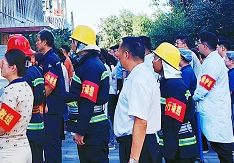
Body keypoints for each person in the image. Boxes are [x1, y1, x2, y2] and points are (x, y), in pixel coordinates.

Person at [62, 25, 110, 163]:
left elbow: (88, 101)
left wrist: (80, 130)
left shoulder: (90, 67)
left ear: (80, 44)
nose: (72, 45)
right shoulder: (89, 64)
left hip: (92, 129)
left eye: (73, 41)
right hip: (92, 127)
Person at [114, 36, 161, 163]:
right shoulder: (139, 75)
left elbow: (141, 121)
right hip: (138, 142)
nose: (117, 54)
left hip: (138, 144)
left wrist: (134, 159)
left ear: (126, 54)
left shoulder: (138, 80)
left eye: (119, 51)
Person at [0, 49, 33, 163]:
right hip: (24, 146)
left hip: (8, 152)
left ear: (13, 68)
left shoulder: (11, 91)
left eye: (3, 63)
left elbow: (3, 127)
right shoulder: (26, 86)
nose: (0, 66)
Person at [152, 42, 198, 163]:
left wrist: (169, 149)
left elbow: (174, 121)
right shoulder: (168, 82)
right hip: (176, 145)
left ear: (164, 62)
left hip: (180, 148)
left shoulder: (173, 85)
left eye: (155, 58)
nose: (152, 62)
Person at [193, 31, 234, 163]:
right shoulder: (212, 60)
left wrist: (193, 98)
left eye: (199, 43)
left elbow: (205, 86)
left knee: (223, 150)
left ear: (205, 46)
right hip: (214, 110)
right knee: (221, 148)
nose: (198, 46)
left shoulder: (213, 62)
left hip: (216, 112)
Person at [7, 35, 46, 163]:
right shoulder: (36, 70)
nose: (2, 64)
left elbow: (6, 121)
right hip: (38, 125)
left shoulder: (18, 82)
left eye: (6, 61)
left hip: (26, 130)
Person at [35, 29, 67, 163]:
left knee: (51, 146)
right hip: (53, 109)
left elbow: (50, 85)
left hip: (52, 110)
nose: (36, 43)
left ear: (45, 42)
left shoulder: (50, 60)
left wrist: (36, 102)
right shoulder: (49, 58)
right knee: (51, 145)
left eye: (38, 40)